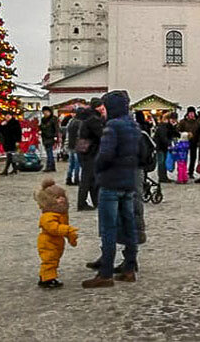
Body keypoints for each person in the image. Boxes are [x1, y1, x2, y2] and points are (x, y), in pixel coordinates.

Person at [83, 90, 140, 288]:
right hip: (128, 182)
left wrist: (97, 169)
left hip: (111, 182)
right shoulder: (133, 125)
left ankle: (105, 272)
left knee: (109, 228)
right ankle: (129, 268)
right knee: (129, 225)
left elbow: (105, 155)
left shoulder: (112, 126)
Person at [34, 177, 79, 288]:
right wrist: (67, 230)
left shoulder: (60, 213)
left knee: (53, 260)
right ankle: (47, 279)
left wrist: (70, 237)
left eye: (62, 197)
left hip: (56, 242)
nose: (61, 199)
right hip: (48, 242)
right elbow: (53, 228)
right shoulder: (48, 215)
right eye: (57, 197)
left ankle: (45, 276)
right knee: (50, 260)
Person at [77, 99, 104, 210]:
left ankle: (95, 201)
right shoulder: (93, 119)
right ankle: (82, 203)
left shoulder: (88, 117)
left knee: (91, 178)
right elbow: (101, 134)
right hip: (90, 152)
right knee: (88, 179)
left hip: (85, 151)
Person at [153, 112, 177, 183]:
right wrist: (169, 144)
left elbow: (173, 134)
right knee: (161, 162)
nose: (174, 121)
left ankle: (164, 176)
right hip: (160, 147)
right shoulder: (163, 126)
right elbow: (163, 137)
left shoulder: (168, 126)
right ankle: (162, 177)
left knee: (164, 162)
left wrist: (174, 127)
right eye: (173, 119)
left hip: (164, 147)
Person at [177, 107, 200, 177]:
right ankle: (183, 171)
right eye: (190, 113)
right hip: (185, 142)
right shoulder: (183, 122)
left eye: (192, 113)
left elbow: (199, 131)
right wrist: (185, 134)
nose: (191, 115)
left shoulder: (197, 122)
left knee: (193, 157)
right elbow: (179, 130)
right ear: (187, 113)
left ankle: (191, 171)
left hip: (194, 142)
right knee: (184, 157)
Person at [65, 108, 83, 185]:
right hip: (77, 145)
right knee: (77, 164)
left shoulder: (71, 122)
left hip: (70, 145)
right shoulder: (80, 123)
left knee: (71, 164)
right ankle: (76, 179)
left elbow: (67, 134)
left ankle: (68, 178)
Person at [39, 108, 60, 172]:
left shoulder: (53, 119)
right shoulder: (43, 119)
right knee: (49, 152)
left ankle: (49, 166)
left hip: (50, 137)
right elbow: (41, 127)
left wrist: (56, 136)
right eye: (44, 112)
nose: (45, 113)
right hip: (45, 137)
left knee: (49, 152)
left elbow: (56, 128)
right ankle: (52, 166)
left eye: (46, 112)